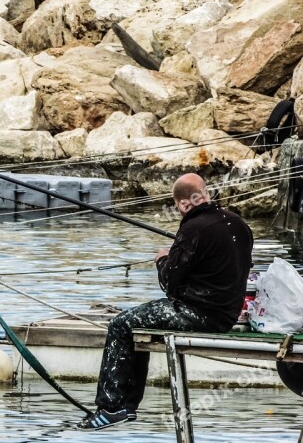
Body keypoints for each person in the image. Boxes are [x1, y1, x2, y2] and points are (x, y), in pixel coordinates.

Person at [77, 173, 253, 431]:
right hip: (228, 314)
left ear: (183, 204)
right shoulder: (238, 224)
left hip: (198, 314)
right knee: (137, 324)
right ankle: (125, 406)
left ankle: (112, 406)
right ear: (205, 193)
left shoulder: (192, 228)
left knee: (120, 324)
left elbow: (169, 282)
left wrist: (162, 259)